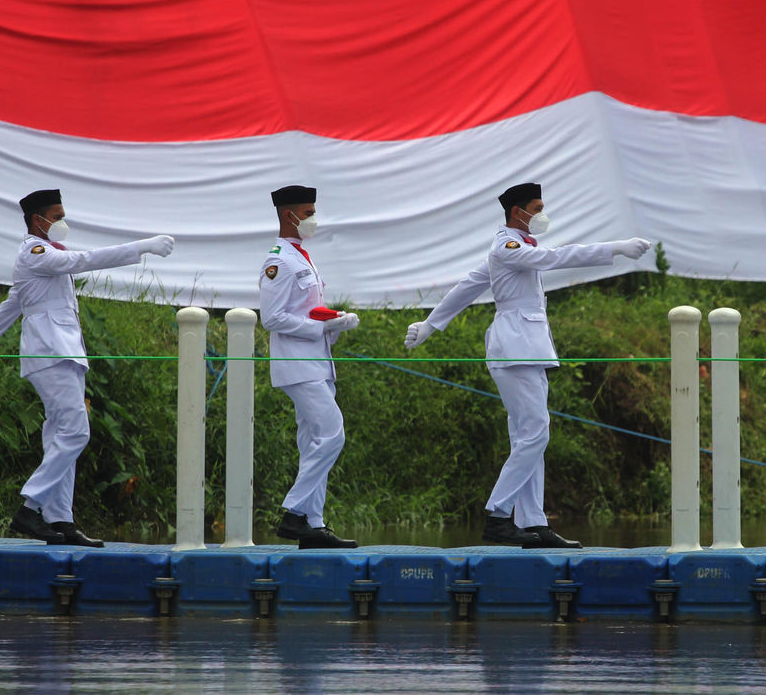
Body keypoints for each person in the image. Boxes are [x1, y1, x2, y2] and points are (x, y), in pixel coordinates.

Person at [404, 183, 651, 548]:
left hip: (528, 349)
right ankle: (498, 515)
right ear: (518, 212)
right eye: (537, 207)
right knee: (536, 431)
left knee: (528, 438)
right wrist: (615, 248)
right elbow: (556, 258)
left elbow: (466, 287)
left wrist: (431, 324)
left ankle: (533, 523)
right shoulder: (507, 247)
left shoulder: (513, 249)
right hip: (514, 350)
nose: (542, 213)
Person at [0, 189, 175, 548]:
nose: (62, 223)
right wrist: (142, 246)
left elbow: (14, 303)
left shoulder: (46, 254)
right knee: (76, 433)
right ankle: (30, 507)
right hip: (50, 355)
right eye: (56, 217)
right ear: (37, 220)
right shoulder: (35, 252)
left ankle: (60, 520)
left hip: (64, 354)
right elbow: (84, 260)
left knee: (60, 437)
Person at [259, 185, 360, 549]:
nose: (313, 219)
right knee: (334, 433)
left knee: (313, 441)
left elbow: (306, 309)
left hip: (317, 362)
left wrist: (334, 323)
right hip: (296, 365)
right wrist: (320, 327)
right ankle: (293, 511)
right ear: (290, 215)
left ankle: (312, 524)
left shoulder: (303, 256)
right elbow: (272, 318)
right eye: (309, 212)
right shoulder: (279, 260)